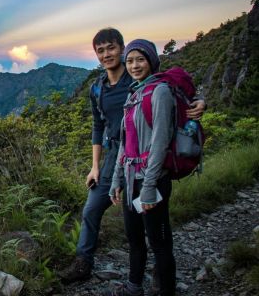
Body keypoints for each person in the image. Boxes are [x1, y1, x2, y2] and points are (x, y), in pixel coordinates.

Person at [59, 29, 205, 284]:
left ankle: (161, 271)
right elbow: (98, 126)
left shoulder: (139, 75)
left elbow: (175, 88)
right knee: (92, 209)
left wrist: (201, 101)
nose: (107, 55)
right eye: (101, 50)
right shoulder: (97, 88)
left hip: (146, 156)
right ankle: (83, 262)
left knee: (154, 217)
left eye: (111, 48)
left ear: (122, 48)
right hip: (115, 158)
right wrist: (94, 166)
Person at [105, 39, 178, 296]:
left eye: (140, 59)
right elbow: (125, 145)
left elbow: (159, 142)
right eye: (130, 60)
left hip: (153, 180)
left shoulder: (160, 91)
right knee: (134, 238)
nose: (134, 65)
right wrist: (116, 181)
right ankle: (134, 287)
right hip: (130, 179)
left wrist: (148, 187)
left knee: (158, 241)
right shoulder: (134, 93)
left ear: (151, 61)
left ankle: (168, 290)